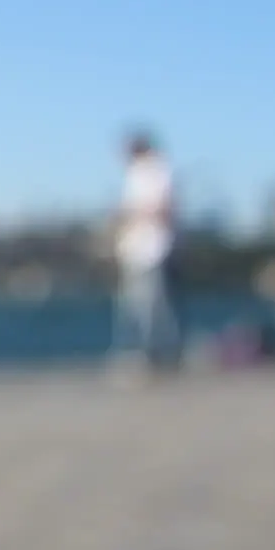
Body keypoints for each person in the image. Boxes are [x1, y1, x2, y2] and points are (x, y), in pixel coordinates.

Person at [113, 130, 182, 375]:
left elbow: (166, 207)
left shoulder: (158, 170)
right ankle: (141, 351)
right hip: (133, 249)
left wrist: (138, 213)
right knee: (133, 304)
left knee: (154, 306)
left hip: (153, 248)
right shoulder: (134, 174)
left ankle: (159, 355)